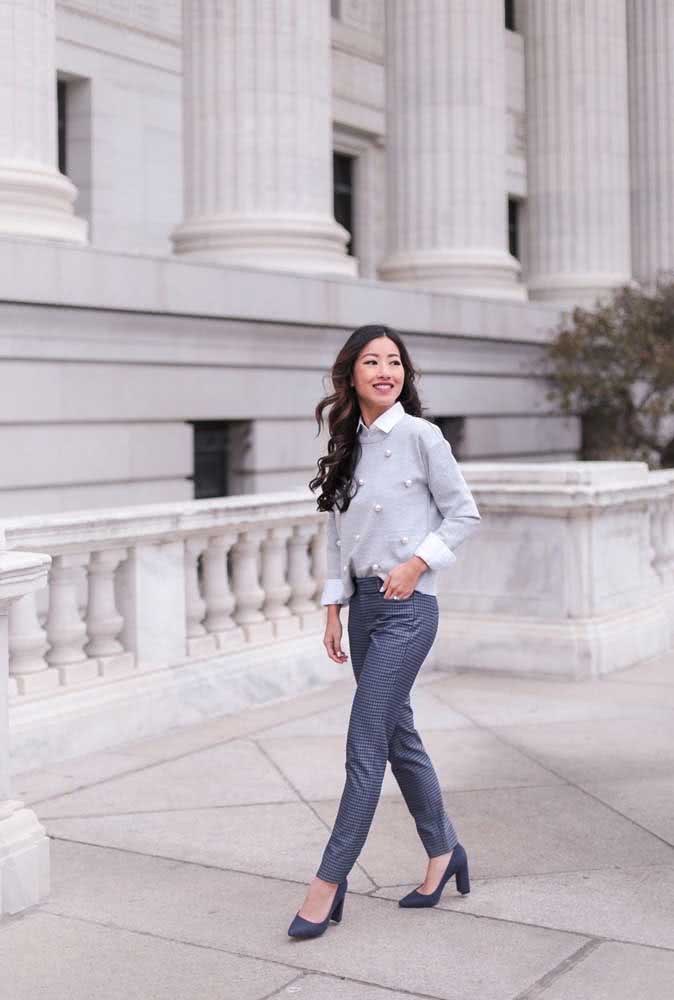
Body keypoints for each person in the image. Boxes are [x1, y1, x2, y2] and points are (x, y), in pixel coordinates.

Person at [287, 324, 481, 940]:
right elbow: (338, 537)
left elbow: (463, 513)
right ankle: (444, 851)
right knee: (398, 739)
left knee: (363, 747)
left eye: (394, 361)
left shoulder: (422, 436)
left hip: (409, 608)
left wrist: (417, 563)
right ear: (351, 376)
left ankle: (327, 882)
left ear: (404, 374)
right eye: (371, 362)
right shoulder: (350, 444)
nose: (384, 371)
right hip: (366, 611)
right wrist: (333, 606)